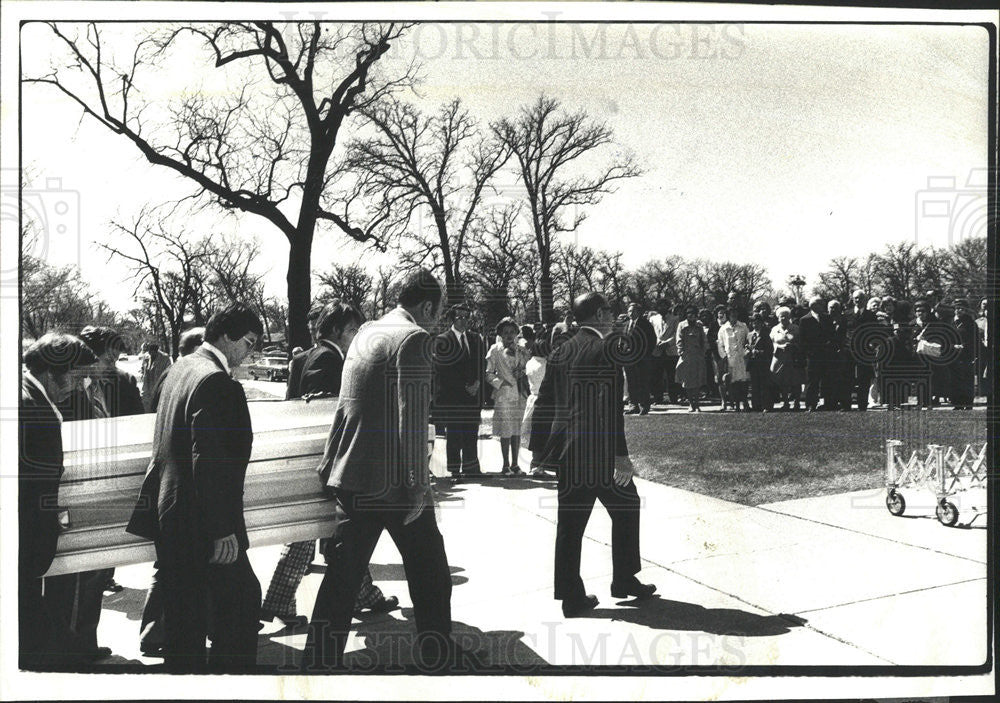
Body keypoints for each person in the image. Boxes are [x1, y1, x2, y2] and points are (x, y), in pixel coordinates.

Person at [304, 270, 476, 671]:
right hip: (394, 485)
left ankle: (319, 661)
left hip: (352, 476)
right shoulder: (413, 338)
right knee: (432, 573)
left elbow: (348, 406)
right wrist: (418, 486)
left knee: (341, 582)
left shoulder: (366, 333)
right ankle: (437, 650)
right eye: (437, 312)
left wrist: (331, 462)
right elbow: (411, 418)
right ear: (428, 306)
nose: (437, 321)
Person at [126, 304, 264, 673]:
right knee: (242, 603)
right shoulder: (217, 382)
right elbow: (211, 463)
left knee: (186, 616)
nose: (248, 353)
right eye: (248, 343)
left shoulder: (180, 367)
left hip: (171, 512)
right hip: (202, 522)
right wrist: (222, 531)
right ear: (226, 337)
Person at [262, 302, 398, 630]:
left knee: (328, 532)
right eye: (352, 330)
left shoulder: (302, 357)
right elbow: (325, 412)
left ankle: (360, 595)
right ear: (336, 330)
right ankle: (283, 600)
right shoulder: (330, 358)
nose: (356, 337)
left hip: (309, 458)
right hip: (326, 460)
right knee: (326, 533)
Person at [547, 292, 655, 618]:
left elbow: (545, 402)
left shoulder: (562, 349)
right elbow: (609, 409)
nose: (612, 315)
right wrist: (620, 457)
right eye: (608, 310)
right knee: (626, 504)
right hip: (598, 455)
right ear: (597, 315)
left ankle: (573, 596)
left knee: (571, 525)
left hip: (569, 452)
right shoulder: (605, 349)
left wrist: (544, 452)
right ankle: (622, 579)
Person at [45, 326, 143, 663]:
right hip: (74, 488)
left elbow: (139, 426)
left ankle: (86, 639)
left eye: (117, 358)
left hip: (111, 487)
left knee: (100, 569)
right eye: (107, 358)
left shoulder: (124, 384)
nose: (113, 365)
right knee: (73, 574)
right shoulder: (64, 388)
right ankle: (69, 646)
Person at [20, 334, 98, 669]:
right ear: (53, 372)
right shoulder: (29, 407)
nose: (80, 387)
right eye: (78, 377)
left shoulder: (29, 397)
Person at [140, 325, 205, 657]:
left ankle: (156, 631)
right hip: (176, 486)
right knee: (169, 568)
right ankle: (155, 631)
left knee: (167, 567)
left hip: (165, 481)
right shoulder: (182, 377)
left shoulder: (172, 374)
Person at [432, 303, 485, 479]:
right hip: (453, 394)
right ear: (451, 319)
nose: (464, 320)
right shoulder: (442, 340)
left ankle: (472, 467)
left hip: (473, 395)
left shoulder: (476, 339)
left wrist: (477, 383)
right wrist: (465, 386)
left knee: (471, 431)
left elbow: (480, 364)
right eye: (459, 317)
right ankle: (454, 469)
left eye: (466, 317)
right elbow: (444, 369)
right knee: (454, 432)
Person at [486, 317, 532, 475]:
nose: (509, 335)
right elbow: (488, 373)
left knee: (517, 430)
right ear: (500, 333)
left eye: (512, 332)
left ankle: (515, 464)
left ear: (517, 333)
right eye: (505, 332)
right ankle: (505, 465)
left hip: (520, 395)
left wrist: (523, 372)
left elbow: (528, 368)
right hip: (504, 396)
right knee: (506, 430)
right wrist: (501, 383)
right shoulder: (494, 349)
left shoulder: (521, 350)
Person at [519, 327, 552, 476]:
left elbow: (525, 383)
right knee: (544, 433)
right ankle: (541, 464)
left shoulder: (530, 363)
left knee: (535, 433)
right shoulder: (545, 365)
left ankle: (535, 462)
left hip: (533, 398)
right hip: (545, 399)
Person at [798, 297, 835, 412]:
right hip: (812, 356)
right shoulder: (804, 320)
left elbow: (831, 334)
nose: (823, 306)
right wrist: (809, 352)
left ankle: (828, 403)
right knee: (812, 381)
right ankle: (811, 404)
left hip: (826, 354)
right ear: (813, 306)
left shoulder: (827, 318)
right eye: (820, 304)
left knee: (826, 380)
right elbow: (802, 339)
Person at [286, 303, 327, 400]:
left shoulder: (346, 359)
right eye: (312, 330)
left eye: (320, 330)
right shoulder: (300, 361)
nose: (317, 336)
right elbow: (291, 400)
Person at [623, 302, 657, 415]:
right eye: (629, 311)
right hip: (629, 359)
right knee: (631, 382)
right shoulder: (627, 324)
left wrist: (645, 354)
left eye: (633, 311)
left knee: (642, 381)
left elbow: (652, 340)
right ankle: (633, 405)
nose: (630, 313)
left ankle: (644, 405)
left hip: (642, 358)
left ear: (638, 312)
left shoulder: (645, 324)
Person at [674, 304, 707, 412]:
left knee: (697, 381)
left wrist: (703, 353)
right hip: (686, 355)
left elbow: (704, 340)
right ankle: (691, 403)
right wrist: (681, 351)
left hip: (697, 355)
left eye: (693, 313)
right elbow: (678, 339)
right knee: (687, 381)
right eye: (688, 313)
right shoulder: (681, 325)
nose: (691, 315)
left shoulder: (699, 325)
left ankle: (697, 404)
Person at [717, 306, 750, 412]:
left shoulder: (743, 326)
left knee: (743, 382)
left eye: (735, 313)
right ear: (728, 315)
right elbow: (720, 344)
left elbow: (748, 341)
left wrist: (746, 353)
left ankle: (745, 402)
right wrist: (724, 357)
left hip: (741, 358)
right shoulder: (723, 328)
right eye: (731, 313)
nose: (733, 315)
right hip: (729, 359)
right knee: (732, 382)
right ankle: (734, 404)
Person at [770, 306, 802, 411]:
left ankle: (797, 402)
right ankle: (786, 402)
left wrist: (792, 346)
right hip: (779, 358)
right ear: (778, 318)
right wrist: (778, 348)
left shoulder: (796, 328)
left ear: (789, 317)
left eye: (786, 316)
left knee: (795, 381)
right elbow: (771, 343)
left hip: (793, 358)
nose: (783, 318)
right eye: (781, 316)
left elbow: (800, 342)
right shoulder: (774, 329)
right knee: (782, 381)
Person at [951, 298, 978, 410]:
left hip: (967, 355)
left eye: (962, 308)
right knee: (955, 380)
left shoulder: (971, 323)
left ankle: (968, 404)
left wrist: (965, 347)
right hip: (953, 355)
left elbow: (975, 340)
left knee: (967, 380)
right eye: (957, 308)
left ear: (966, 310)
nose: (959, 310)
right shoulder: (950, 322)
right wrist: (952, 346)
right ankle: (957, 403)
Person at [826, 300, 852, 411]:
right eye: (831, 307)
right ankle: (831, 403)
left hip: (842, 354)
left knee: (844, 380)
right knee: (830, 380)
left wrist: (842, 348)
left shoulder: (845, 320)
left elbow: (847, 336)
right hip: (829, 354)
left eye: (835, 307)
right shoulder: (825, 320)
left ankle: (845, 404)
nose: (833, 310)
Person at [654, 302, 681, 404]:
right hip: (657, 350)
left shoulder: (675, 319)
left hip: (671, 350)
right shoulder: (654, 319)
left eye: (664, 306)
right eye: (660, 306)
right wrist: (657, 342)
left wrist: (667, 343)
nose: (662, 308)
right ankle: (658, 398)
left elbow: (677, 334)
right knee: (657, 375)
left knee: (671, 375)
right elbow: (652, 333)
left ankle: (673, 398)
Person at [746, 313, 774, 412]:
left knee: (764, 385)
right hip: (753, 364)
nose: (755, 325)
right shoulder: (750, 335)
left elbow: (769, 350)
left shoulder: (765, 335)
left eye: (758, 323)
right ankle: (756, 405)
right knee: (754, 385)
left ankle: (766, 405)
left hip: (763, 363)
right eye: (754, 323)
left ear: (761, 323)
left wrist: (757, 352)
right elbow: (747, 346)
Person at [139, 341, 172, 412]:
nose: (149, 354)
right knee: (146, 411)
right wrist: (142, 373)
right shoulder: (146, 356)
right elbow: (143, 367)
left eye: (151, 352)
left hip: (159, 389)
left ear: (156, 351)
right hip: (147, 390)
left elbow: (168, 373)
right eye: (148, 352)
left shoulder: (165, 358)